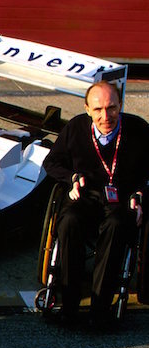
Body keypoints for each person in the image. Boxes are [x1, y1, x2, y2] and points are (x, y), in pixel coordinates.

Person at [43, 80, 149, 326]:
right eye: (98, 109)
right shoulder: (75, 128)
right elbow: (51, 163)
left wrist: (141, 194)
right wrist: (71, 178)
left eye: (112, 108)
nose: (106, 116)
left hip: (122, 199)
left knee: (116, 227)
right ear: (87, 109)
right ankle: (68, 306)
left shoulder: (139, 130)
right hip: (86, 196)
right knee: (68, 222)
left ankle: (100, 311)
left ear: (120, 105)